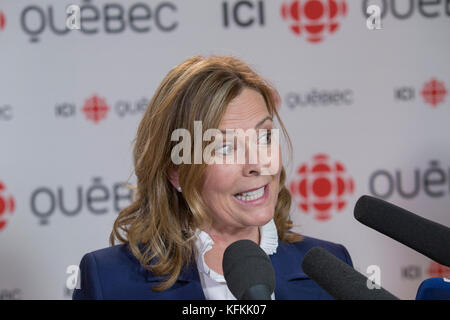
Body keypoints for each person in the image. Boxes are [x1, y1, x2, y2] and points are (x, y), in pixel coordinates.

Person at [72, 55, 353, 300]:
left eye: (265, 136)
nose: (257, 164)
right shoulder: (108, 282)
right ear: (176, 172)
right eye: (224, 147)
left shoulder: (331, 268)